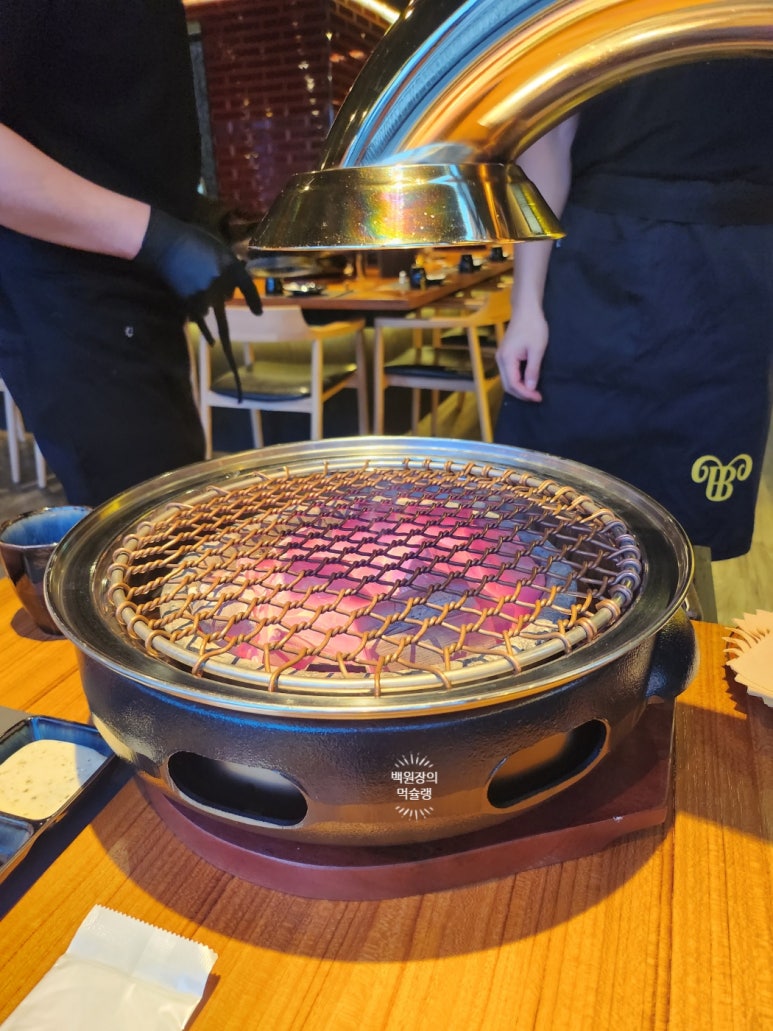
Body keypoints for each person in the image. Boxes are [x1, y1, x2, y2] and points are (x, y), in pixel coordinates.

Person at [494, 60, 773, 560]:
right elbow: (551, 140)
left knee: (692, 535)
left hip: (734, 270)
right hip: (594, 264)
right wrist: (526, 304)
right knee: (557, 515)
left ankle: (671, 638)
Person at [0, 0, 261, 507]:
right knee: (149, 540)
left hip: (139, 296)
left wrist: (189, 212)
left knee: (180, 507)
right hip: (70, 298)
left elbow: (96, 128)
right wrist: (155, 237)